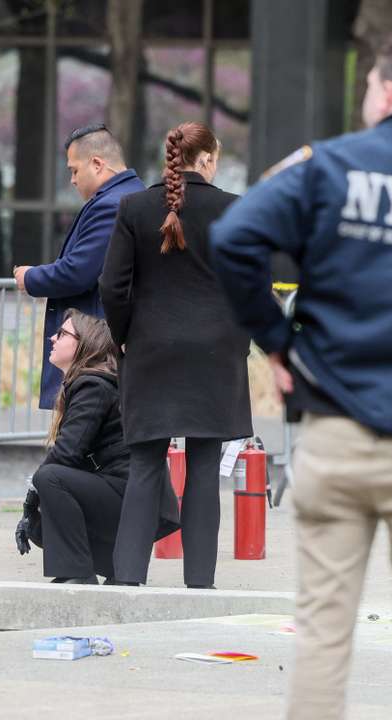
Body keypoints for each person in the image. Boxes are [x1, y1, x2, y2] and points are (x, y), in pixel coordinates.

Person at [209, 32, 392, 720]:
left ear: (384, 91)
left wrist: (278, 341)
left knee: (323, 633)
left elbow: (233, 238)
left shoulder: (329, 166)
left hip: (338, 426)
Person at [100, 121, 251, 589]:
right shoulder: (234, 210)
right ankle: (199, 583)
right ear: (206, 159)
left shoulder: (134, 207)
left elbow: (112, 286)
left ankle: (128, 579)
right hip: (215, 354)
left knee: (145, 465)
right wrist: (238, 341)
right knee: (205, 467)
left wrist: (126, 338)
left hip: (151, 351)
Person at [13, 310, 178, 584]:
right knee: (44, 513)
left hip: (130, 498)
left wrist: (31, 500)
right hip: (130, 497)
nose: (52, 338)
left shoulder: (93, 386)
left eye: (63, 333)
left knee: (49, 479)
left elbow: (67, 453)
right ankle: (102, 569)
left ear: (84, 344)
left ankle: (78, 574)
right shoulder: (94, 382)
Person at [13, 124, 145, 409]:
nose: (72, 180)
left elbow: (78, 272)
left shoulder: (111, 204)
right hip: (111, 348)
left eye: (74, 170)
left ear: (97, 164)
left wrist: (31, 277)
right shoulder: (129, 195)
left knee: (80, 443)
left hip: (95, 349)